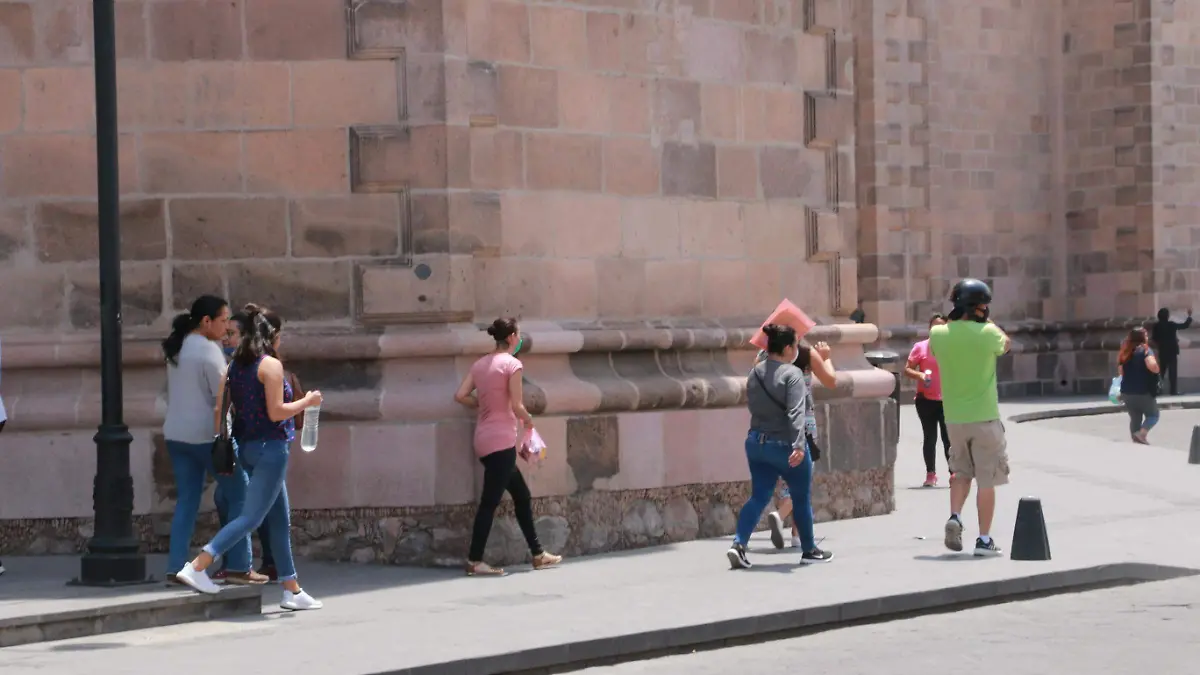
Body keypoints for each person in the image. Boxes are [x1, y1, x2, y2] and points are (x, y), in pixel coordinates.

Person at [173, 306, 325, 610]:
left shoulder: (234, 367)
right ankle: (198, 565)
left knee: (279, 519)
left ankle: (292, 590)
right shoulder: (270, 365)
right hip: (271, 448)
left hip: (248, 448)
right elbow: (276, 412)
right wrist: (307, 401)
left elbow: (223, 409)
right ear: (272, 336)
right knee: (251, 517)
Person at [161, 296, 265, 586]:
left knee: (187, 500)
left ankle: (175, 566)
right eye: (222, 320)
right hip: (208, 435)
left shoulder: (179, 346)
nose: (226, 326)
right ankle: (239, 565)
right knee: (240, 494)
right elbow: (223, 395)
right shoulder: (208, 350)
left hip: (176, 434)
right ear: (206, 321)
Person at [453, 318, 563, 576]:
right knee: (489, 503)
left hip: (483, 439)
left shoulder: (480, 364)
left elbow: (460, 395)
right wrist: (529, 420)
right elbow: (516, 405)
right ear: (512, 337)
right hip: (500, 442)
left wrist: (482, 404)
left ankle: (538, 554)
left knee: (521, 496)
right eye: (519, 335)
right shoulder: (512, 364)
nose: (520, 339)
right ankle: (474, 561)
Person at [728, 324, 834, 568]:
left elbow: (753, 405)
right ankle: (809, 549)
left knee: (758, 496)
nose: (797, 349)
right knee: (800, 497)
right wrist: (798, 445)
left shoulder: (755, 372)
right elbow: (796, 413)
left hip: (756, 442)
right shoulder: (792, 374)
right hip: (784, 445)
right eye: (795, 345)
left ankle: (738, 544)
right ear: (787, 348)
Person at [929, 279, 1010, 557]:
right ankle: (984, 540)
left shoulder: (938, 334)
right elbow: (1006, 344)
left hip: (954, 418)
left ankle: (955, 516)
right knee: (987, 480)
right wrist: (989, 322)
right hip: (985, 417)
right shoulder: (989, 333)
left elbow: (940, 343)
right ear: (980, 307)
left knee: (961, 472)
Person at [211, 309, 280, 582]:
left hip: (263, 446)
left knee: (256, 504)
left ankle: (262, 563)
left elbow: (274, 409)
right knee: (229, 499)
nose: (226, 339)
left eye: (232, 334)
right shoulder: (233, 367)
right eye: (226, 333)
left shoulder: (265, 366)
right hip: (242, 445)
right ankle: (237, 562)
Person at [765, 340, 837, 550]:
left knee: (786, 477)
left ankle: (797, 534)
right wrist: (826, 358)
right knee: (802, 479)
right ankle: (781, 515)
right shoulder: (805, 353)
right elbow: (831, 380)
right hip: (803, 424)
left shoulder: (765, 356)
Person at [906, 314, 952, 487]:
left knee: (948, 439)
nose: (937, 329)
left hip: (948, 399)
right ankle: (930, 474)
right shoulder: (921, 347)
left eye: (941, 326)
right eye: (934, 326)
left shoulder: (953, 347)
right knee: (930, 437)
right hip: (925, 399)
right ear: (929, 329)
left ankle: (954, 473)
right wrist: (920, 375)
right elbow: (908, 369)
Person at [1118, 327, 1161, 444]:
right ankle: (1141, 434)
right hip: (1143, 391)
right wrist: (1157, 370)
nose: (1147, 337)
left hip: (1127, 392)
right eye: (1146, 335)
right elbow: (1152, 365)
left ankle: (1136, 441)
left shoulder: (1125, 352)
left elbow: (1121, 371)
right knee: (1153, 415)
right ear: (1142, 338)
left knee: (1135, 418)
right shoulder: (1145, 350)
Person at [1150, 308, 1191, 396]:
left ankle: (1158, 390)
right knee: (1172, 373)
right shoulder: (1171, 325)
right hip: (1172, 351)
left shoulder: (1156, 326)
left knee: (1161, 372)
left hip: (1162, 351)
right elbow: (1184, 325)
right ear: (1167, 316)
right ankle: (1173, 391)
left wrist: (1159, 344)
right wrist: (1189, 316)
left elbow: (1154, 338)